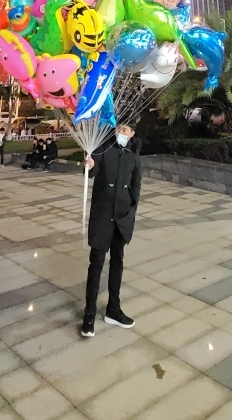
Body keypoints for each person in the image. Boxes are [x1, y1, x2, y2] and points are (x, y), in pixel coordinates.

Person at [81, 124, 141, 338]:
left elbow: (136, 185)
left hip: (122, 219)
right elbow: (93, 169)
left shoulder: (134, 156)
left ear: (132, 134)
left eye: (126, 131)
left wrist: (131, 211)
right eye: (119, 129)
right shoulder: (104, 149)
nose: (121, 134)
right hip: (103, 216)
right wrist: (90, 165)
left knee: (118, 262)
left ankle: (113, 309)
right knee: (96, 264)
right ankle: (89, 314)